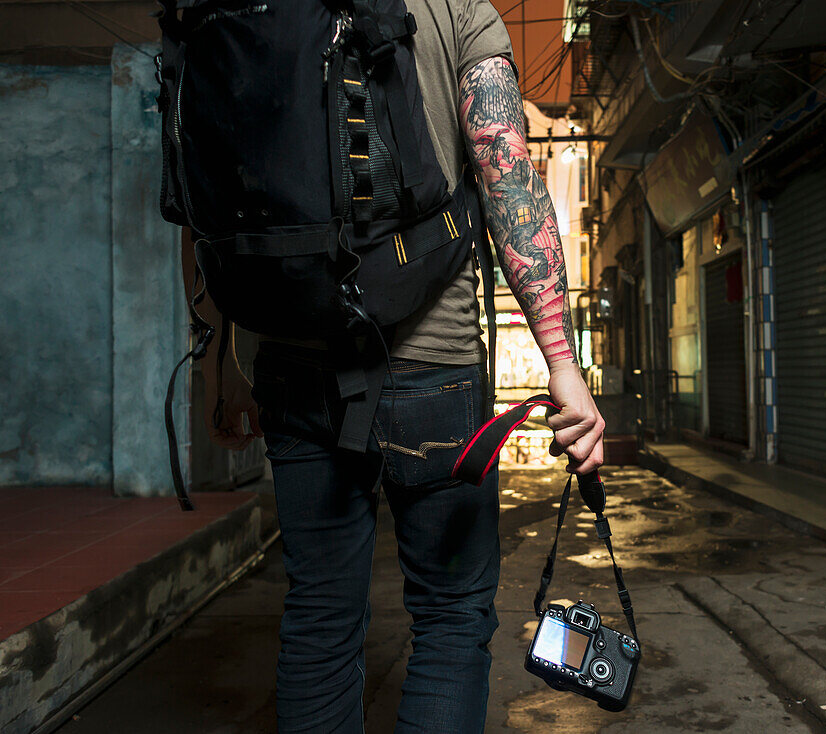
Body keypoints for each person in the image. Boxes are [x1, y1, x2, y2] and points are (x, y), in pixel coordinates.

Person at [180, 0, 605, 731]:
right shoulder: (458, 8)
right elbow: (506, 176)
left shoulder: (245, 9)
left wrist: (220, 366)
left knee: (318, 620)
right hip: (434, 370)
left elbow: (206, 207)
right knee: (449, 617)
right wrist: (561, 362)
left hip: (294, 365)